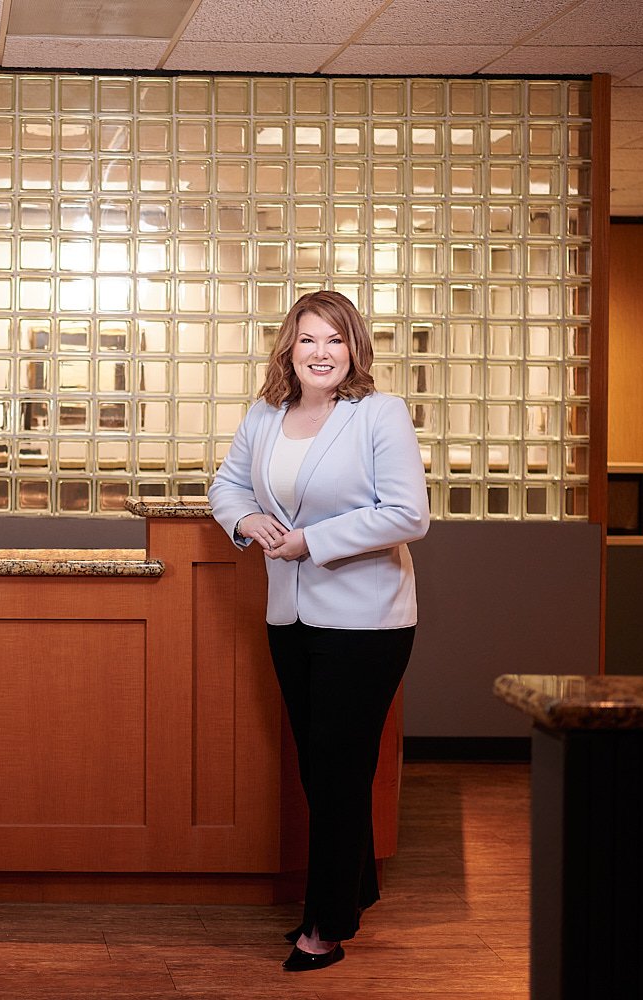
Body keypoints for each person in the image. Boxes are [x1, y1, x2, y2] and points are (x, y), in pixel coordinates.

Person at [207, 289, 429, 972]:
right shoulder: (265, 415)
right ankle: (354, 886)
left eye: (335, 340)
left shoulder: (378, 415)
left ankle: (325, 925)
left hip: (366, 621)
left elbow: (407, 514)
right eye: (309, 340)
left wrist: (313, 542)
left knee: (337, 770)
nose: (322, 353)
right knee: (322, 766)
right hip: (291, 618)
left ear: (354, 349)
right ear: (290, 349)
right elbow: (227, 487)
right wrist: (246, 522)